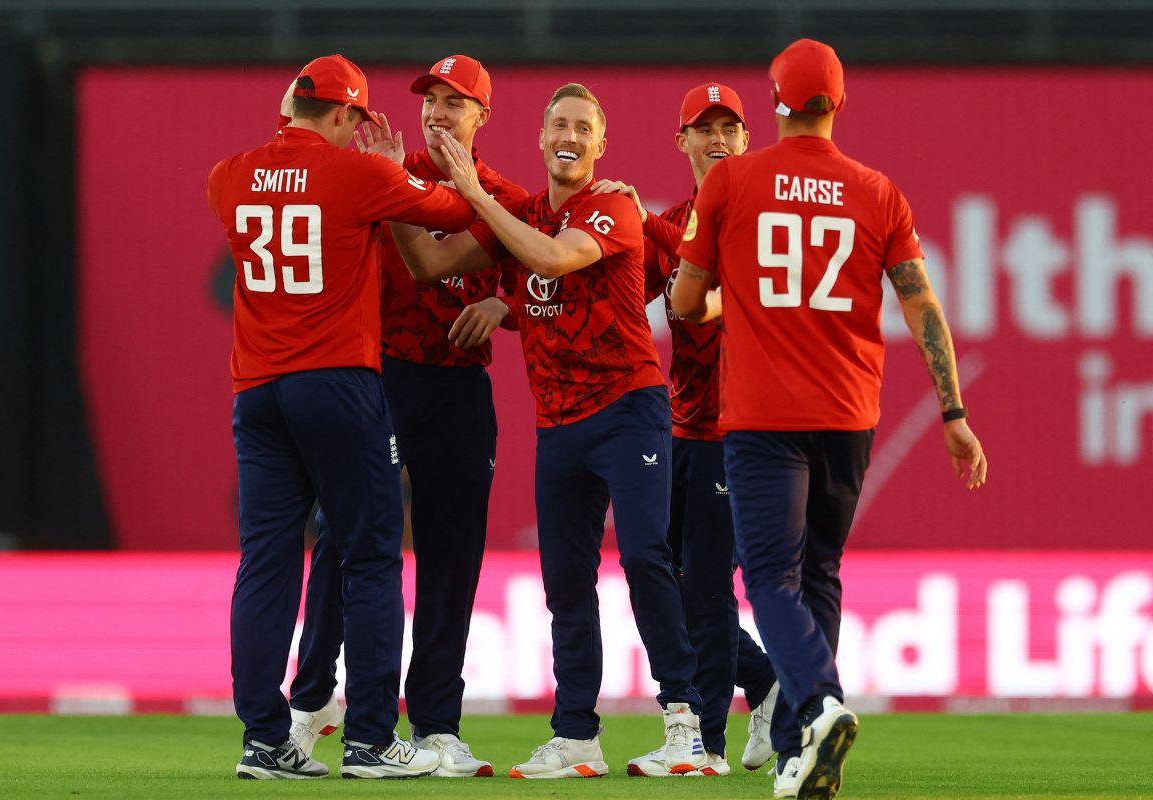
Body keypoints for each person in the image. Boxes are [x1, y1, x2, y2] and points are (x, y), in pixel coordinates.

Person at [673, 39, 987, 798]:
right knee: (819, 573)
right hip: (850, 414)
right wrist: (953, 410)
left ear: (775, 104)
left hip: (764, 416)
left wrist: (730, 298)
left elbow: (684, 303)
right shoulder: (878, 191)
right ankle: (796, 754)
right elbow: (922, 305)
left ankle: (818, 704)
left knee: (771, 579)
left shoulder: (732, 180)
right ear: (837, 103)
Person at [385, 83, 707, 779]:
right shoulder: (522, 215)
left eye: (583, 126)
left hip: (628, 409)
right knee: (565, 583)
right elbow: (433, 265)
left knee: (647, 558)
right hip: (559, 424)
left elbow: (557, 260)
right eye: (559, 123)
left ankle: (686, 724)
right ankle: (576, 736)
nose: (570, 134)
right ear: (539, 138)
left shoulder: (613, 205)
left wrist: (475, 196)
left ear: (600, 146)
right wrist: (504, 302)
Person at [206, 54, 477, 780]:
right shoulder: (358, 174)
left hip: (256, 392)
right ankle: (369, 739)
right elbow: (454, 209)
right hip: (337, 383)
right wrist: (401, 172)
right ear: (345, 115)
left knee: (265, 563)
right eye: (356, 116)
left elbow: (261, 188)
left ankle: (264, 739)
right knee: (370, 554)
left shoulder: (227, 175)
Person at [286, 54, 525, 779]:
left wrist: (505, 303)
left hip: (457, 388)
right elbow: (406, 260)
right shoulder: (385, 169)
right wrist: (390, 183)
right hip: (381, 374)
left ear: (484, 117)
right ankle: (313, 699)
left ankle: (438, 727)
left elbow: (545, 276)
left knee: (452, 560)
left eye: (457, 102)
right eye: (431, 99)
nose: (438, 111)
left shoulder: (505, 195)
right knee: (344, 538)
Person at [593, 82, 780, 777]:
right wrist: (511, 299)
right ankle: (761, 681)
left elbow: (721, 303)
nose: (719, 139)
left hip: (743, 429)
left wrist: (650, 224)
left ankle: (704, 744)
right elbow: (615, 290)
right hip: (683, 426)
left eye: (730, 127)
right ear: (683, 142)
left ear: (746, 137)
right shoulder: (667, 223)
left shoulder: (760, 225)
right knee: (664, 580)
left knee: (701, 588)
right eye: (704, 129)